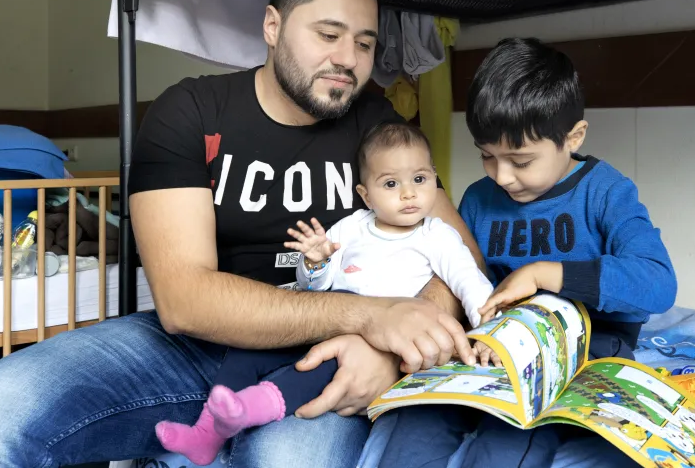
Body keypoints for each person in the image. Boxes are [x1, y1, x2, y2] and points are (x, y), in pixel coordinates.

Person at [0, 0, 484, 468]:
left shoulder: (375, 120)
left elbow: (460, 253)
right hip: (195, 347)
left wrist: (389, 350)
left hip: (325, 355)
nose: (347, 59)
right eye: (327, 35)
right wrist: (370, 315)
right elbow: (185, 301)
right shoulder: (191, 110)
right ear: (272, 26)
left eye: (365, 44)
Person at [375, 37, 678, 468]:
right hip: (496, 343)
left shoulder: (606, 192)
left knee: (508, 434)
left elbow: (658, 283)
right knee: (416, 421)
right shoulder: (480, 200)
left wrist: (545, 274)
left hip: (587, 346)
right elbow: (461, 276)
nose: (502, 177)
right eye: (486, 157)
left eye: (520, 161)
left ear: (572, 138)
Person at [155, 122, 495, 465]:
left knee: (313, 370)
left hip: (371, 347)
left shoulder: (436, 235)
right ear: (366, 194)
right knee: (244, 352)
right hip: (329, 324)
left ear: (434, 181)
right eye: (391, 184)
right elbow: (313, 288)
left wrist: (489, 329)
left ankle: (247, 411)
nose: (408, 193)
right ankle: (206, 433)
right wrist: (315, 262)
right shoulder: (351, 227)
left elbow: (467, 279)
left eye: (419, 180)